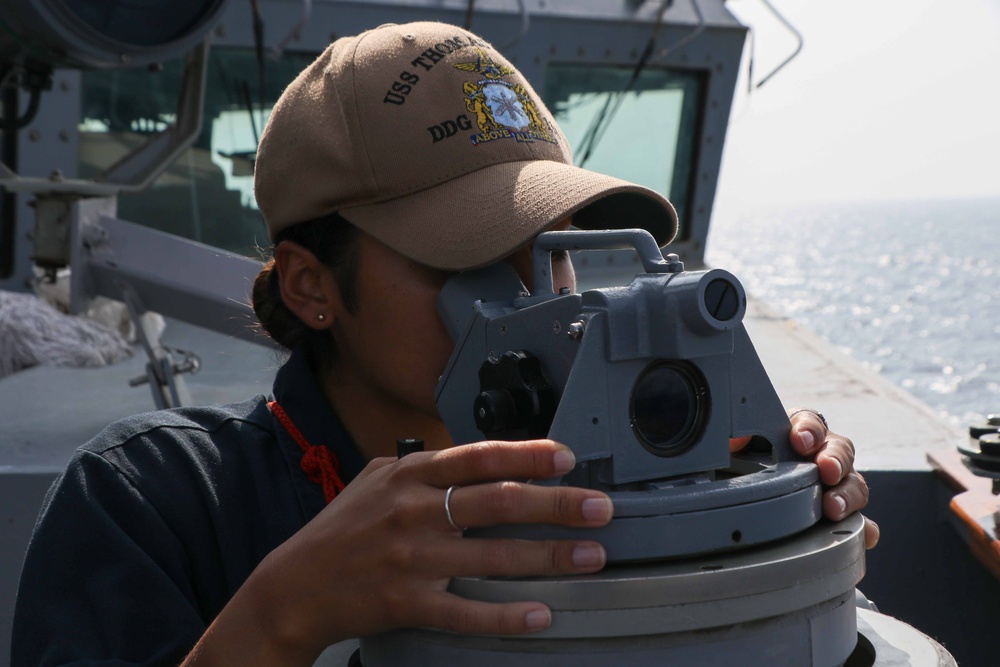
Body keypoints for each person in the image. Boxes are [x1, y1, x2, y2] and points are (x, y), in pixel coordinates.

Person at [11, 20, 877, 667]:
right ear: (312, 284)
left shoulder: (603, 479)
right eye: (469, 262)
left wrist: (768, 495)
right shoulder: (150, 504)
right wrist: (280, 616)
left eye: (554, 251)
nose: (533, 296)